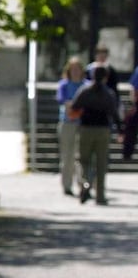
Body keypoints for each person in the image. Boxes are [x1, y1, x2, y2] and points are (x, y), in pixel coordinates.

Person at [71, 65, 123, 205]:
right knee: (101, 163)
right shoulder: (109, 93)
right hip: (103, 130)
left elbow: (74, 107)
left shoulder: (85, 91)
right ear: (105, 77)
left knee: (82, 160)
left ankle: (84, 183)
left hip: (86, 128)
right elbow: (114, 113)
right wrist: (120, 130)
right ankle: (100, 196)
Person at [55, 57, 85, 195]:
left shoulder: (86, 85)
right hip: (67, 123)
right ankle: (67, 185)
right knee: (67, 155)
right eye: (73, 69)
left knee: (81, 156)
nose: (75, 72)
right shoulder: (64, 85)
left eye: (78, 69)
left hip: (83, 124)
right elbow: (64, 101)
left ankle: (82, 183)